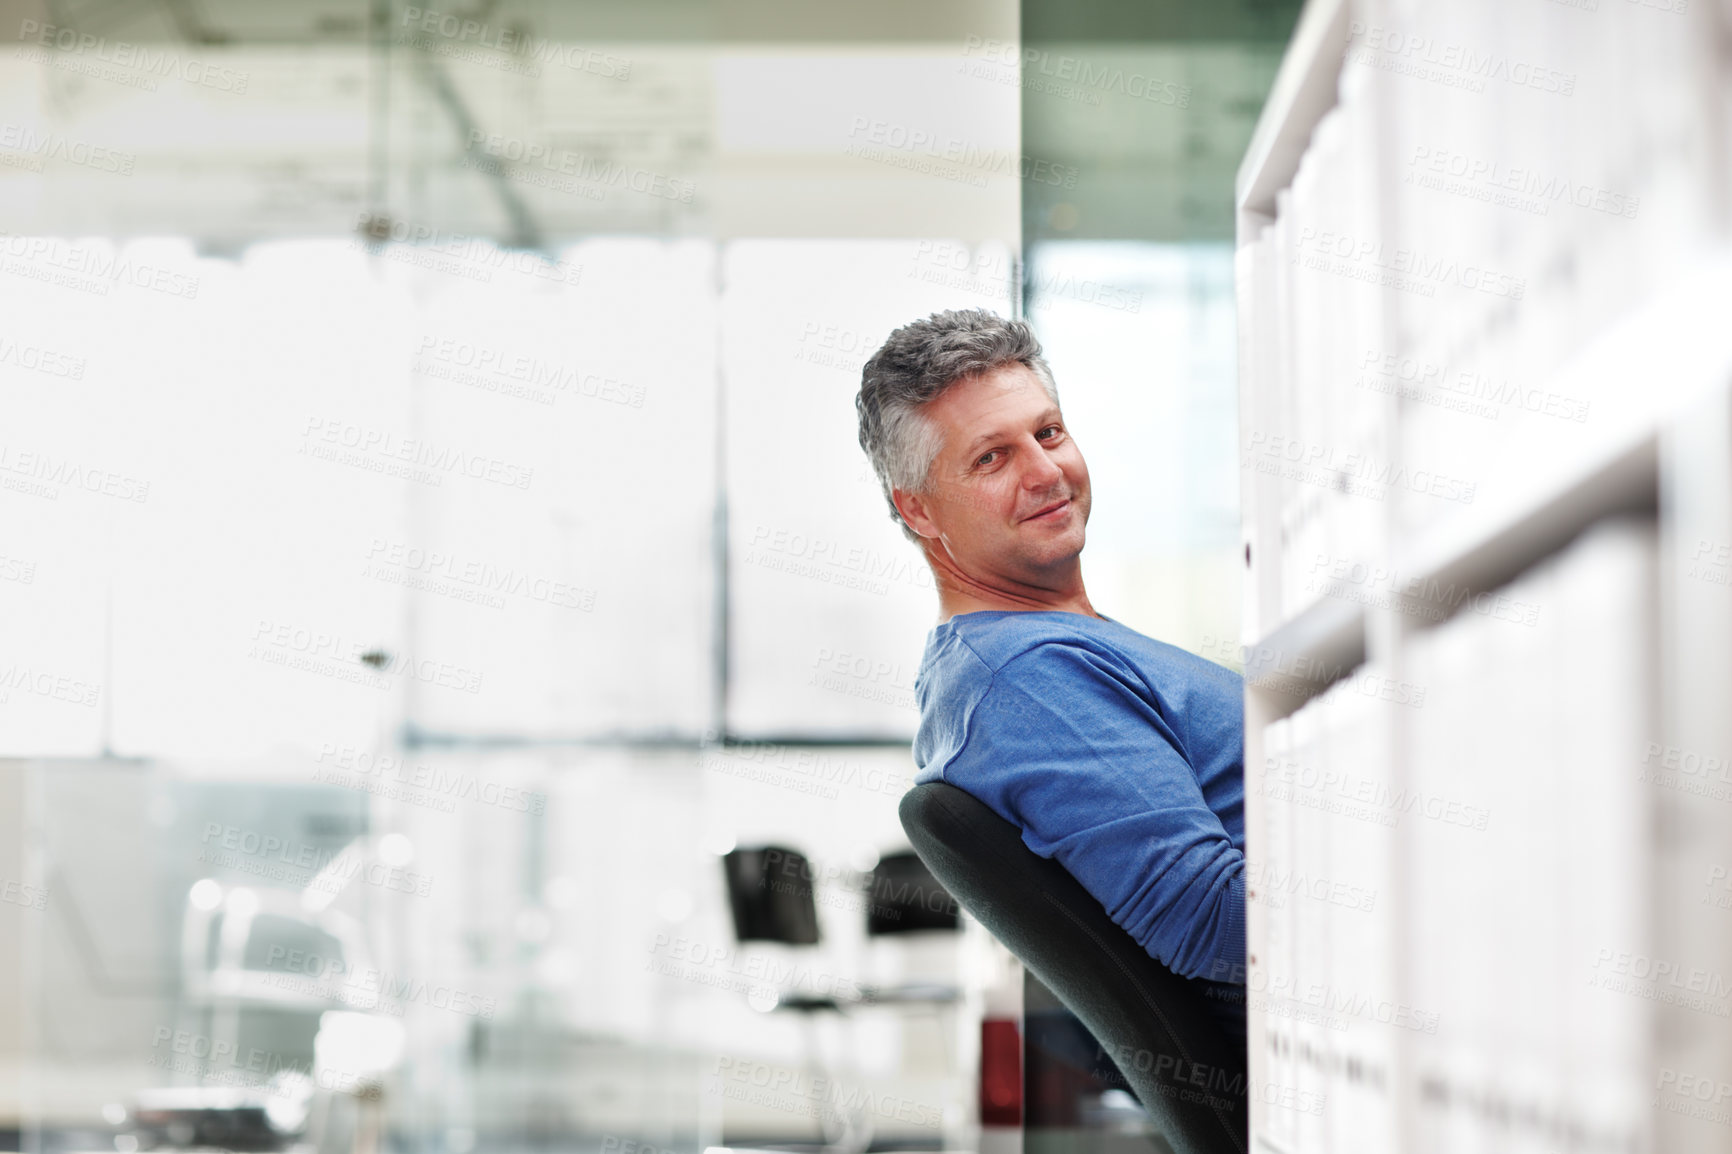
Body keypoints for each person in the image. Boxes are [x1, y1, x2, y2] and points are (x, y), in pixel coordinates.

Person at [853, 307, 1248, 1019]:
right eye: (990, 458)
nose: (1047, 472)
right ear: (918, 511)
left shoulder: (1046, 643)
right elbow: (1216, 924)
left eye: (1048, 432)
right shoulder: (1026, 678)